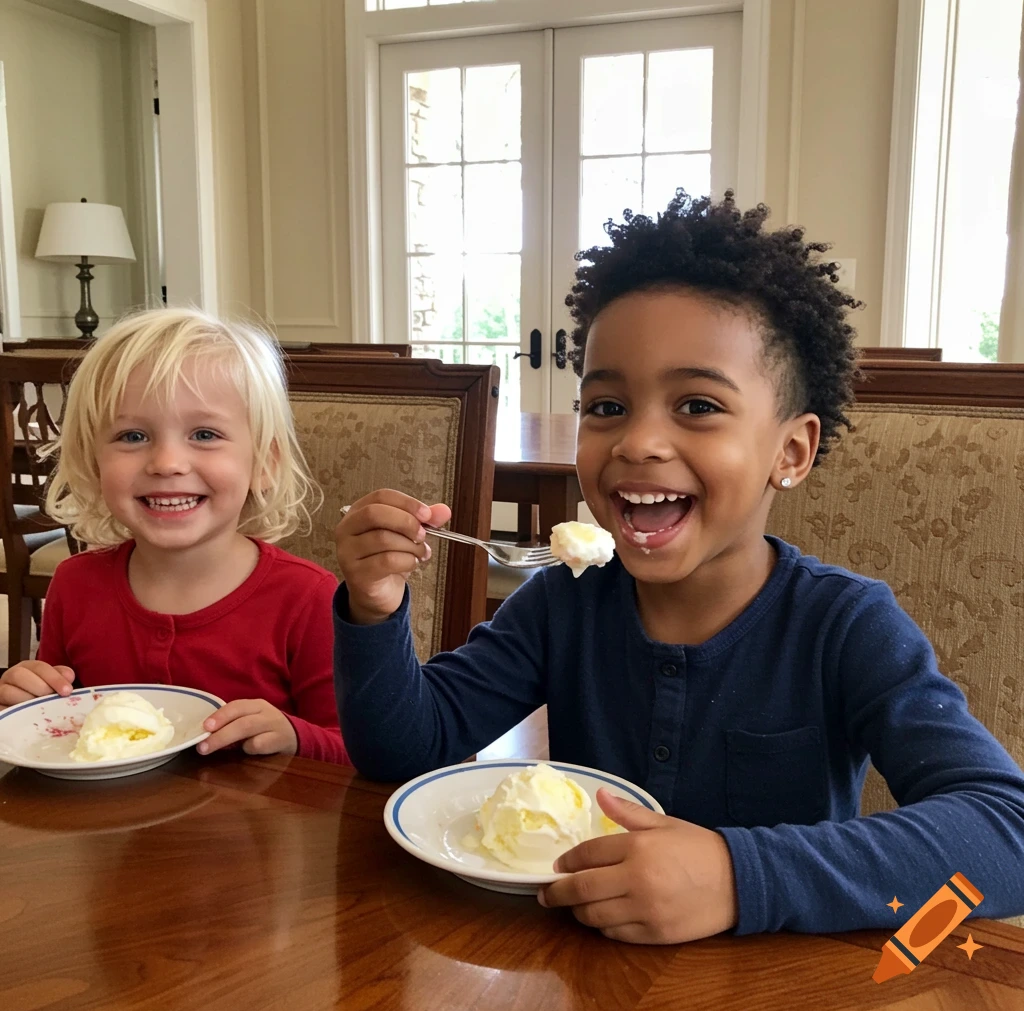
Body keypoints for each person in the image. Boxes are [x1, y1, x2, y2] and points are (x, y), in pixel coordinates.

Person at [332, 191, 1024, 942]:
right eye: (606, 407)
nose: (638, 442)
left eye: (697, 406)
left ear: (790, 453)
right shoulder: (561, 604)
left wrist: (736, 875)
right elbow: (404, 750)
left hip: (776, 983)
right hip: (588, 964)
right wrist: (374, 606)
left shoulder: (844, 626)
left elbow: (1005, 834)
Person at [0, 308, 348, 765]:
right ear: (92, 462)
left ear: (264, 462)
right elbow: (66, 725)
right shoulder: (75, 584)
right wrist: (31, 698)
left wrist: (294, 736)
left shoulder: (309, 600)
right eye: (132, 435)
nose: (166, 462)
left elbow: (356, 749)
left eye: (204, 434)